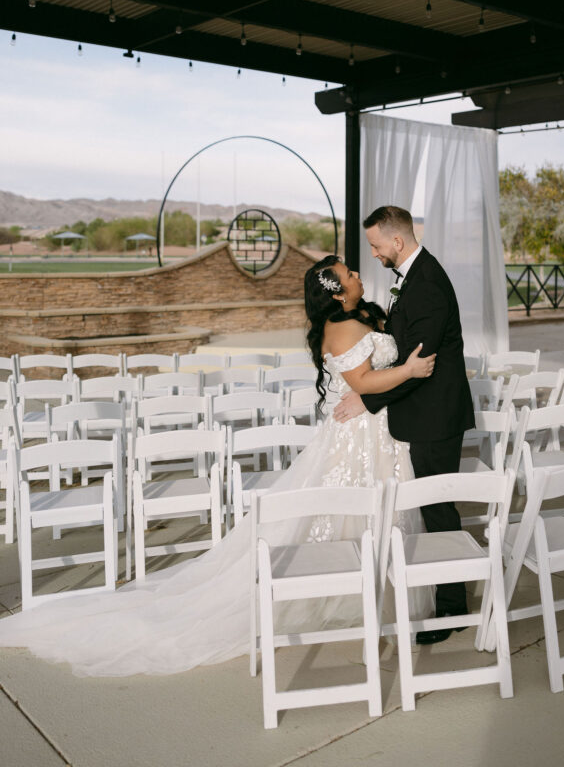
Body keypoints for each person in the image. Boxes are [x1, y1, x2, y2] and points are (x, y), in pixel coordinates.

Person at [0, 257, 433, 677]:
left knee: (362, 516)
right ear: (337, 294)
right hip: (357, 437)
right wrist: (410, 371)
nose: (358, 274)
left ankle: (360, 600)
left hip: (373, 434)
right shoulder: (344, 328)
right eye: (349, 273)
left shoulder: (353, 320)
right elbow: (363, 384)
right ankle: (352, 597)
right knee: (349, 513)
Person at [333, 206, 475, 644]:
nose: (373, 254)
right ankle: (446, 599)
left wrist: (367, 397)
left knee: (439, 510)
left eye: (376, 245)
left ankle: (452, 610)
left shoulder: (428, 283)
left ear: (397, 241)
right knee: (432, 508)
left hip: (434, 416)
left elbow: (421, 365)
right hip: (421, 413)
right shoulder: (414, 277)